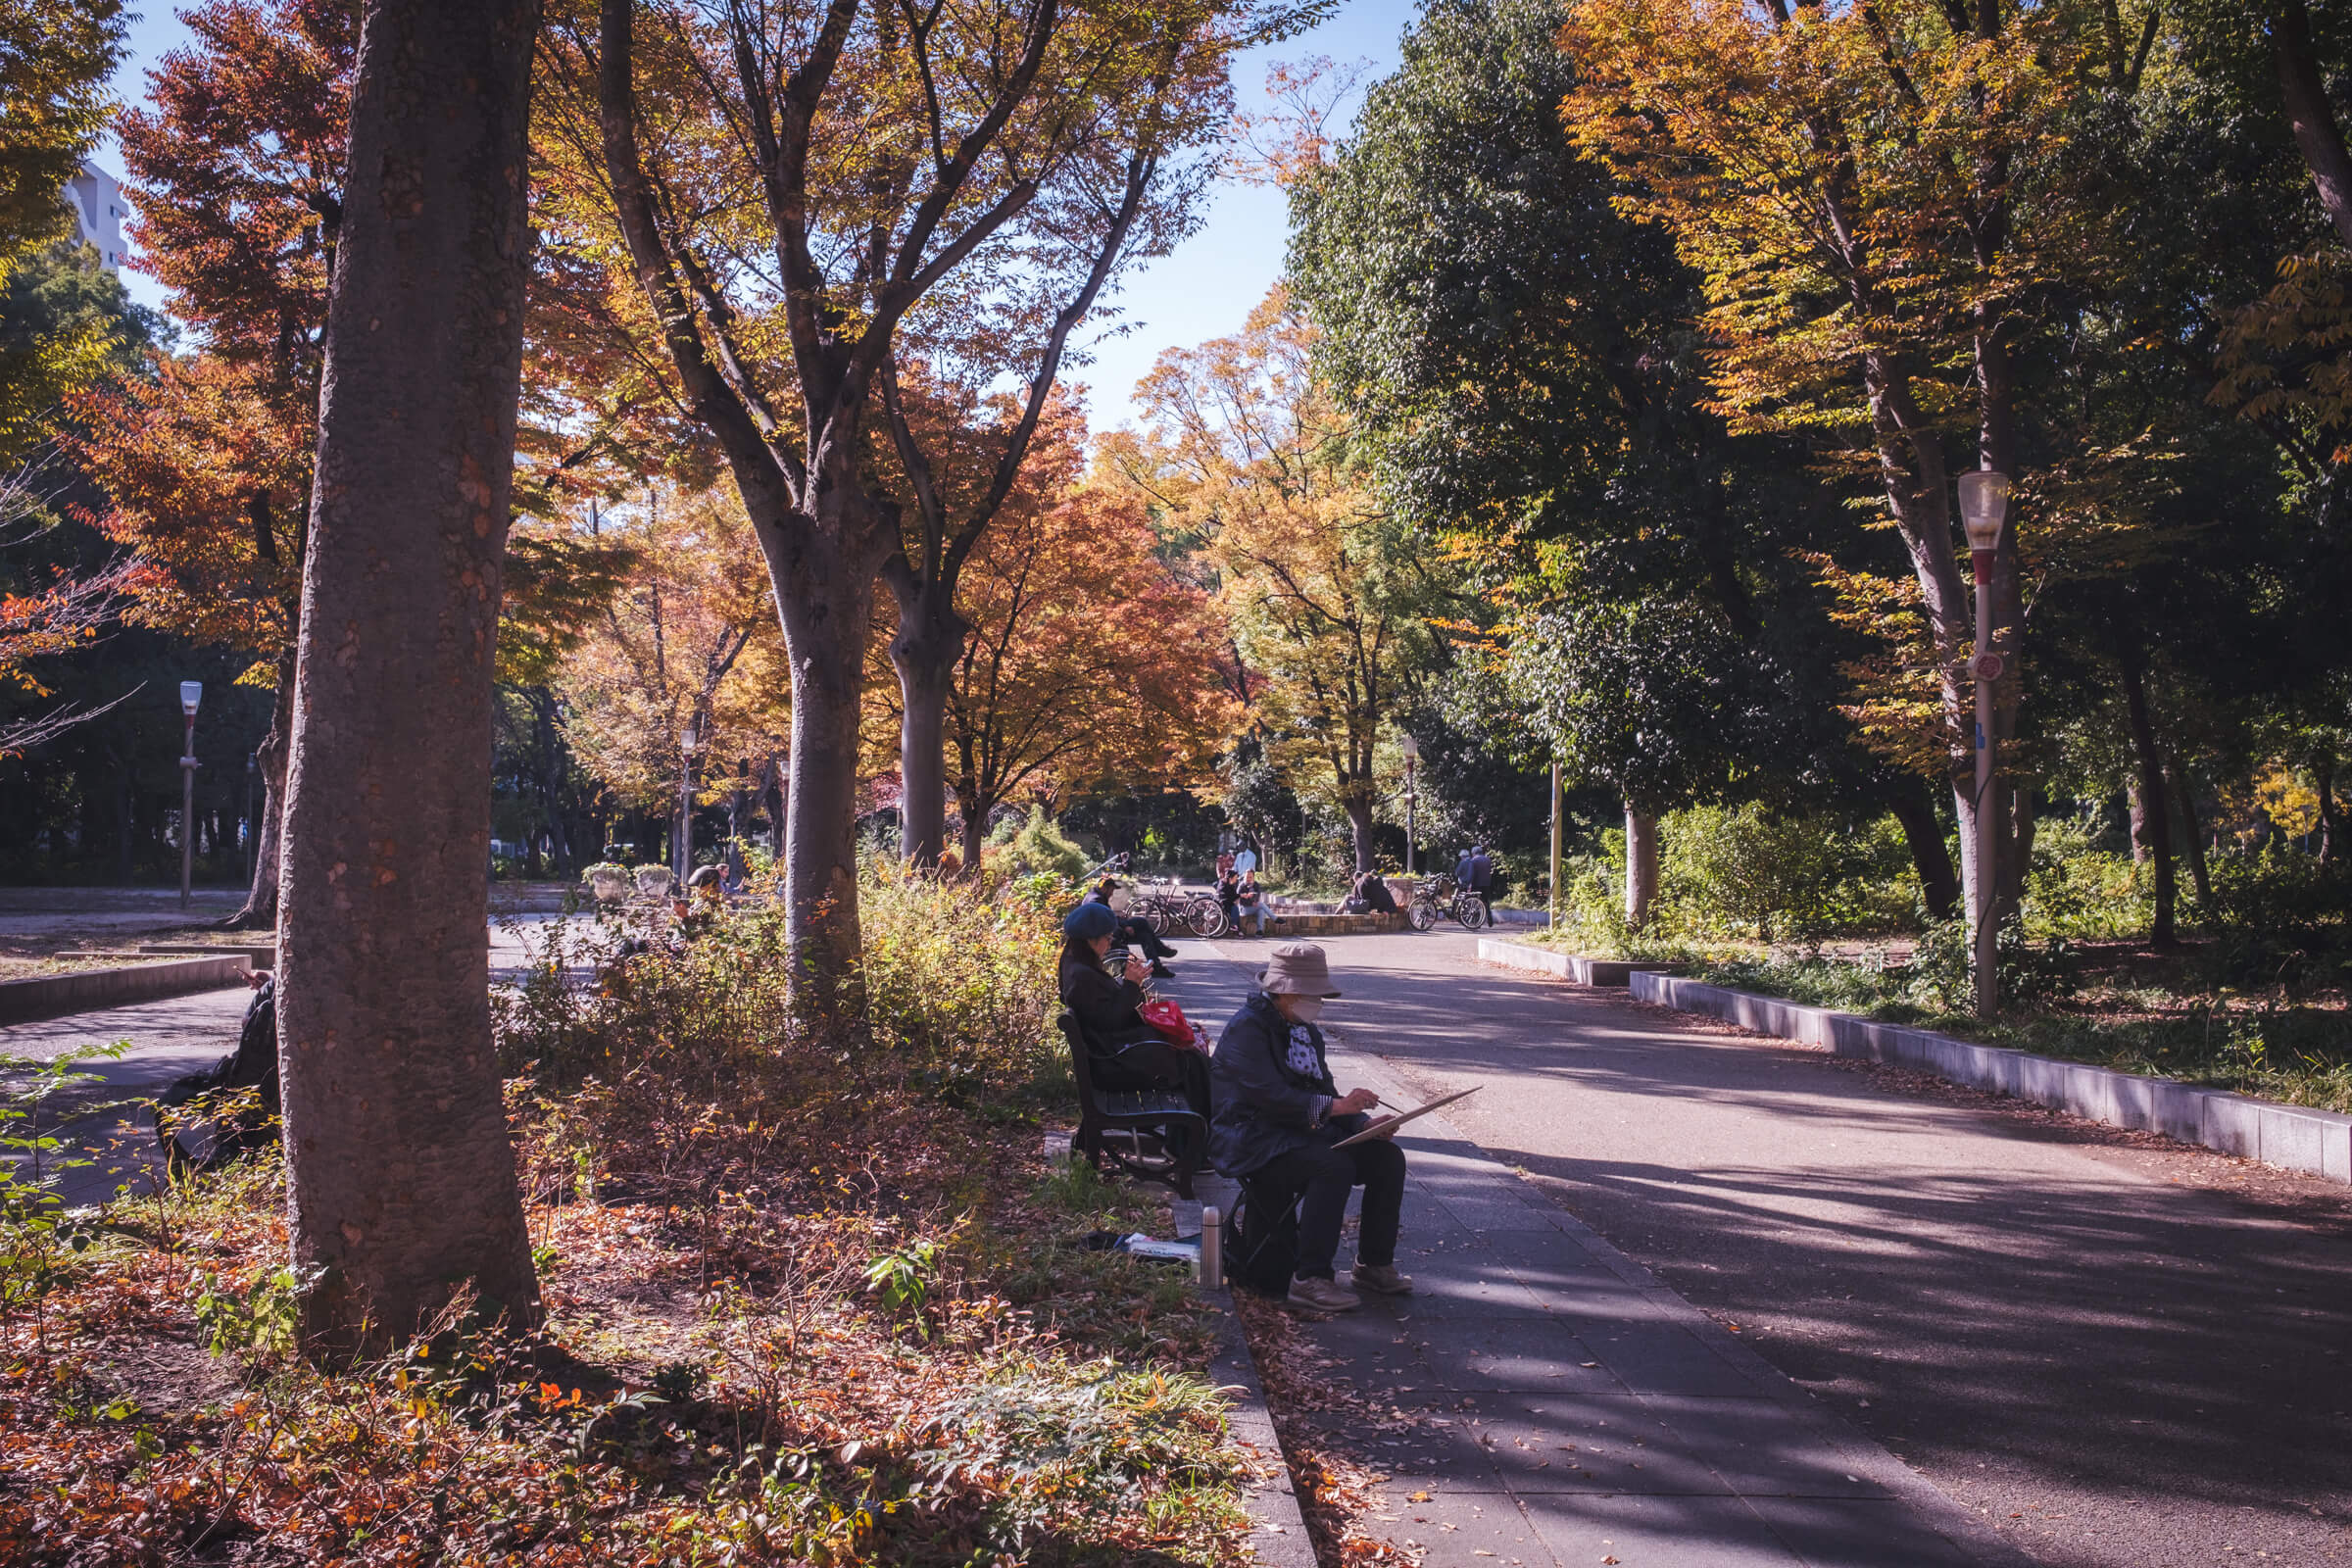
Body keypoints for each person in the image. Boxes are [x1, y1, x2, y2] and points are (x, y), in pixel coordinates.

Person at [1209, 943, 1410, 1313]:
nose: (1317, 1003)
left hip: (1300, 1132)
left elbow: (1326, 1092)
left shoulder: (1305, 1031)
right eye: (1311, 995)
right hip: (1252, 1137)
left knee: (1386, 1157)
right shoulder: (1247, 1029)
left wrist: (1363, 1123)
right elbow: (1270, 1097)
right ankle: (1310, 1277)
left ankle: (1373, 1264)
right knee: (1331, 1165)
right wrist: (1336, 1107)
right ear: (1285, 992)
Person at [1056, 903, 1209, 1118]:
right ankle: (1190, 1139)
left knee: (1189, 1047)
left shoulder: (1075, 962)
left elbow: (1105, 1011)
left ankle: (1187, 1138)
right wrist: (1130, 985)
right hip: (1113, 1062)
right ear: (1091, 939)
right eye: (1108, 938)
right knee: (1193, 1061)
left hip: (1112, 1051)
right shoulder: (1081, 976)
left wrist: (1132, 983)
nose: (1110, 944)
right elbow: (1112, 1021)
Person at [1087, 875, 1177, 974]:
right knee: (1141, 923)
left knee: (1144, 934)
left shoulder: (1095, 896)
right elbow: (1106, 922)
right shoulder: (1095, 901)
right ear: (1104, 888)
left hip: (1115, 929)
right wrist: (1125, 927)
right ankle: (1160, 951)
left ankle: (1157, 967)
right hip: (1112, 934)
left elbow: (1109, 918)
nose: (1112, 894)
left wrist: (1124, 925)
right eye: (1111, 891)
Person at [1234, 868, 1266, 936]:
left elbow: (1258, 895)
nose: (1248, 878)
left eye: (1250, 877)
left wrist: (1255, 901)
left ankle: (1259, 931)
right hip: (1244, 908)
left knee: (1262, 911)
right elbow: (1238, 898)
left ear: (1253, 877)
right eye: (1247, 876)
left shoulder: (1256, 884)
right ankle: (1273, 916)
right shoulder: (1241, 885)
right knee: (1262, 906)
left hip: (1253, 908)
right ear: (1244, 876)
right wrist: (1249, 901)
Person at [1467, 844, 1495, 919]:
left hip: (1476, 884)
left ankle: (1476, 920)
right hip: (1486, 883)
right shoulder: (1488, 860)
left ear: (1474, 853)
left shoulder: (1473, 861)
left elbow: (1471, 873)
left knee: (1474, 902)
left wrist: (1469, 884)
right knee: (1485, 900)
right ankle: (1489, 915)